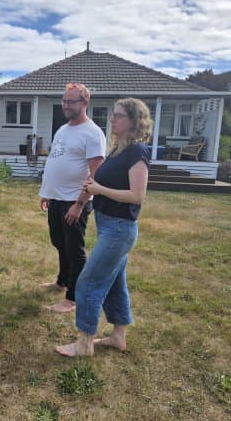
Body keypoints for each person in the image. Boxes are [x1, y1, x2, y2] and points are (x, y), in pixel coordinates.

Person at [55, 97, 152, 356]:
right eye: (113, 115)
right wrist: (91, 187)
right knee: (115, 282)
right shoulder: (118, 150)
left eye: (119, 116)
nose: (113, 119)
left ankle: (84, 343)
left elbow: (137, 196)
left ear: (133, 121)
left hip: (120, 228)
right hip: (109, 225)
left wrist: (99, 190)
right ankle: (118, 337)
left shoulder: (137, 152)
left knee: (88, 282)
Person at [39, 83, 106, 313]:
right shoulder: (63, 129)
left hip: (74, 200)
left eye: (71, 101)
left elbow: (95, 174)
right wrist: (47, 193)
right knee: (59, 243)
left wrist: (80, 203)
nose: (66, 105)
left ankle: (73, 298)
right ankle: (61, 281)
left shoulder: (93, 133)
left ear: (84, 103)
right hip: (57, 198)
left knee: (74, 249)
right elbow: (57, 161)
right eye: (64, 101)